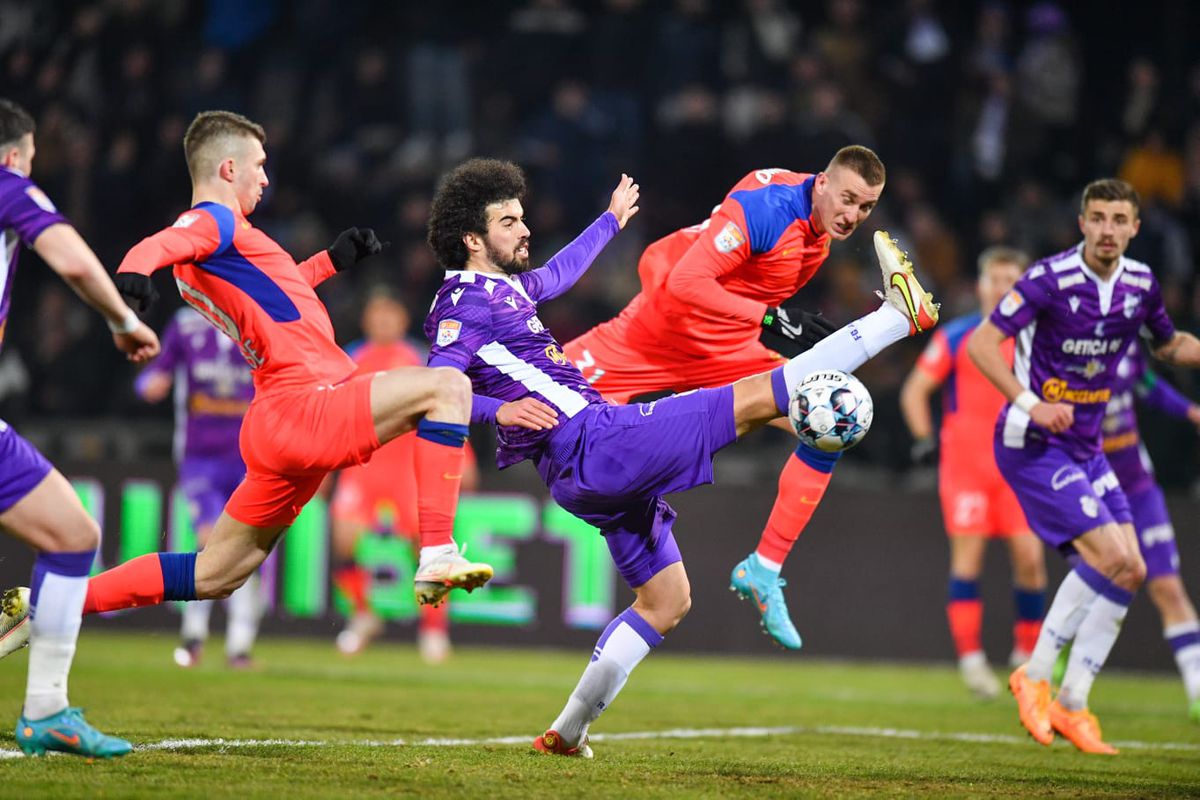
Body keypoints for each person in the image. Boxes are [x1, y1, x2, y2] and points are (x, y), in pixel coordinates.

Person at [423, 158, 938, 758]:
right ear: (472, 239)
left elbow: (559, 274)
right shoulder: (458, 305)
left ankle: (567, 732)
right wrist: (496, 414)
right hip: (596, 439)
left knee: (667, 601)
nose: (524, 229)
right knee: (760, 399)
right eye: (509, 221)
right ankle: (894, 319)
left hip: (583, 472)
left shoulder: (506, 289)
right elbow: (437, 388)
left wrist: (610, 222)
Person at [8, 110, 496, 638]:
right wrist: (131, 274)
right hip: (308, 402)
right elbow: (164, 241)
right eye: (259, 166)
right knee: (448, 386)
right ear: (226, 169)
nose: (266, 178)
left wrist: (330, 261)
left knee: (214, 573)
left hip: (277, 420)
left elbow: (281, 293)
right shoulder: (214, 221)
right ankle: (436, 553)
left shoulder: (231, 244)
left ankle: (44, 606)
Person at [562, 146, 939, 649]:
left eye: (866, 207)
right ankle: (437, 532)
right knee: (529, 396)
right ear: (822, 183)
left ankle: (764, 568)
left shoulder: (818, 239)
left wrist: (768, 323)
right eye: (848, 198)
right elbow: (686, 282)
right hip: (653, 337)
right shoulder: (768, 206)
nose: (853, 215)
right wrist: (771, 319)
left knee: (832, 422)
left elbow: (745, 298)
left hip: (725, 349)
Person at [968, 178, 1200, 754]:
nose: (1107, 230)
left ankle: (1072, 703)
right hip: (1032, 442)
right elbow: (980, 345)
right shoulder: (1049, 279)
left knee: (1135, 570)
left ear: (1134, 228)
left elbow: (1167, 347)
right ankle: (1036, 673)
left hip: (1088, 448)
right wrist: (1031, 403)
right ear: (1081, 223)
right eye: (1097, 218)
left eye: (1119, 220)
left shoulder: (1141, 285)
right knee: (1116, 556)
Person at [0, 98, 159, 758]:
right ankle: (44, 711)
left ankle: (48, 711)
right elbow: (68, 257)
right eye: (32, 159)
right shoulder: (6, 183)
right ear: (15, 155)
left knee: (72, 533)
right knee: (74, 535)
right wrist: (123, 318)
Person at [899, 247, 1046, 698]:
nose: (1002, 287)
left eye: (1010, 280)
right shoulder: (959, 336)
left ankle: (1027, 658)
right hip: (966, 468)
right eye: (995, 279)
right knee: (968, 561)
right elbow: (915, 391)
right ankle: (972, 662)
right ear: (980, 286)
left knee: (1031, 560)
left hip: (1020, 469)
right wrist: (925, 440)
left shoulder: (1036, 342)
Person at [329, 286, 479, 662]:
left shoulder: (418, 359)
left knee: (426, 549)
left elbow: (445, 408)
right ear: (367, 319)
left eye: (389, 313)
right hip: (362, 465)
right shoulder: (349, 360)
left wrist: (466, 454)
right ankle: (363, 614)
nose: (382, 321)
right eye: (376, 313)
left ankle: (433, 629)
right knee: (343, 541)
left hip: (407, 467)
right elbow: (333, 414)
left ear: (402, 319)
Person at [135, 306, 264, 669]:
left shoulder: (255, 323)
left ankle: (239, 646)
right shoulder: (185, 324)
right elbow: (152, 375)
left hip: (249, 456)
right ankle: (194, 636)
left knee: (245, 545)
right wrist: (148, 385)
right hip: (199, 458)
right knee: (210, 539)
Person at [1099, 341, 1200, 721]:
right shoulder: (1063, 343)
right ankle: (1059, 658)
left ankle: (1196, 688)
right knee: (1102, 582)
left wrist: (1191, 411)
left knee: (1167, 586)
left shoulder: (1126, 342)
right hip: (1089, 484)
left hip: (1138, 487)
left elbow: (1148, 386)